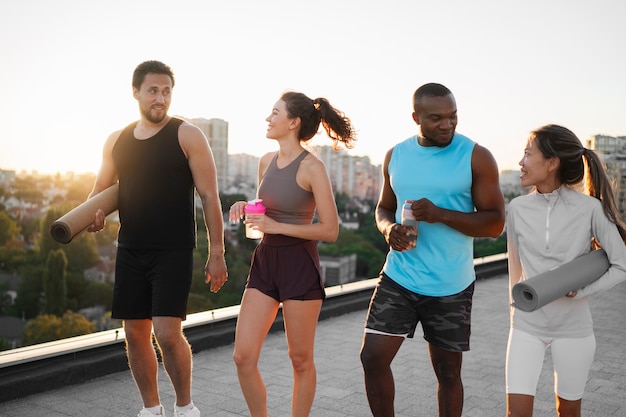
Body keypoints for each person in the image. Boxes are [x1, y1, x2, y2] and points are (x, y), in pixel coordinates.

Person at [87, 60, 228, 417]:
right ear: (136, 92)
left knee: (166, 333)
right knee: (134, 334)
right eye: (153, 90)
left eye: (166, 91)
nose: (160, 98)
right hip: (130, 248)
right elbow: (99, 191)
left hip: (173, 250)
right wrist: (93, 215)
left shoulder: (187, 135)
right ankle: (152, 409)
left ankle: (185, 407)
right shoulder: (116, 140)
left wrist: (217, 252)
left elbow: (210, 196)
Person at [359, 82, 505, 417]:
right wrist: (388, 229)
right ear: (416, 117)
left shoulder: (476, 156)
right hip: (400, 275)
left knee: (448, 372)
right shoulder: (395, 155)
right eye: (437, 118)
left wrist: (440, 214)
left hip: (450, 284)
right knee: (372, 358)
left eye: (453, 116)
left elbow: (495, 223)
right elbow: (383, 208)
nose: (448, 124)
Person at [229, 91, 356, 417]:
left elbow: (330, 230)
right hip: (265, 262)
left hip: (299, 264)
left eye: (275, 113)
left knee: (300, 359)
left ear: (293, 122)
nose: (268, 119)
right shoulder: (265, 162)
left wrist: (277, 225)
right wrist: (247, 207)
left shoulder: (312, 167)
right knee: (242, 356)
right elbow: (266, 211)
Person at [506, 124, 626, 417]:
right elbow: (514, 270)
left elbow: (621, 263)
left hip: (574, 329)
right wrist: (516, 311)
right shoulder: (517, 208)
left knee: (568, 412)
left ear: (552, 163)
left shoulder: (590, 209)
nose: (520, 162)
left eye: (527, 154)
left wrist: (583, 290)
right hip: (526, 326)